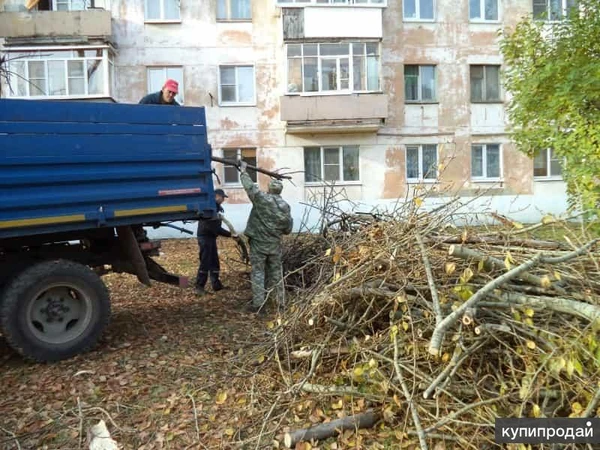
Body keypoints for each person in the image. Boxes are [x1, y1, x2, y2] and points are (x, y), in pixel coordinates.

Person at [239, 161, 293, 314]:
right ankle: (280, 303)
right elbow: (287, 229)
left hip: (259, 245)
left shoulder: (262, 199)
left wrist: (243, 172)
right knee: (277, 273)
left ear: (269, 189)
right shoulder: (285, 206)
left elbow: (250, 188)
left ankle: (259, 305)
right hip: (274, 245)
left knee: (258, 272)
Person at [195, 189, 236, 295]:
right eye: (222, 197)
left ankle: (216, 285)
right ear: (216, 196)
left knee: (214, 262)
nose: (223, 200)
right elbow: (216, 229)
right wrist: (231, 235)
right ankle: (199, 287)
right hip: (205, 238)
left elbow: (216, 228)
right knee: (205, 262)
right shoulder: (210, 208)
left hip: (210, 238)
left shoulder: (216, 208)